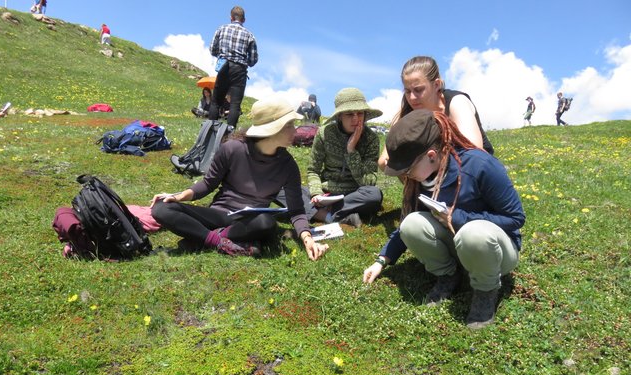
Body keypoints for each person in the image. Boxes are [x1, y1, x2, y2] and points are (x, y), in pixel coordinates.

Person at [363, 109, 525, 329]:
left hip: (495, 253)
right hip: (459, 246)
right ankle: (448, 276)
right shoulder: (425, 176)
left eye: (408, 169)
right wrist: (381, 260)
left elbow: (515, 218)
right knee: (412, 224)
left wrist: (457, 217)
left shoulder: (480, 165)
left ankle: (485, 292)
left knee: (473, 233)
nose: (405, 175)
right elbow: (406, 227)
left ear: (431, 155)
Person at [151, 96, 329, 261]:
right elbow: (208, 183)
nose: (295, 130)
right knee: (161, 208)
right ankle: (220, 241)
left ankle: (202, 237)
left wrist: (307, 239)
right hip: (219, 214)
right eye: (290, 125)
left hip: (251, 221)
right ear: (274, 129)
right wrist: (179, 196)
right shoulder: (232, 149)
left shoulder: (288, 165)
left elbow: (297, 210)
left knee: (266, 222)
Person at [378, 56, 493, 170]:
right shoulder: (407, 110)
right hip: (434, 178)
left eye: (418, 90)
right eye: (407, 91)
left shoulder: (457, 102)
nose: (412, 98)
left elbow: (474, 153)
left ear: (437, 84)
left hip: (477, 175)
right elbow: (383, 161)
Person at [305, 87, 383, 228]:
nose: (356, 119)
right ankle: (338, 215)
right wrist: (316, 193)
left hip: (354, 194)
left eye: (360, 113)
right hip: (326, 192)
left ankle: (322, 214)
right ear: (340, 116)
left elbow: (369, 181)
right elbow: (313, 170)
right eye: (349, 114)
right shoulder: (324, 133)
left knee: (374, 195)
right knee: (289, 191)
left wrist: (351, 150)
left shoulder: (371, 139)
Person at [208, 6, 258, 129]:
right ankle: (229, 135)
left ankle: (210, 132)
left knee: (216, 101)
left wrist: (221, 55)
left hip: (224, 66)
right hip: (239, 70)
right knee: (235, 104)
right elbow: (253, 59)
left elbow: (212, 49)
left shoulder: (222, 29)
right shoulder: (249, 35)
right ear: (244, 20)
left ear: (231, 17)